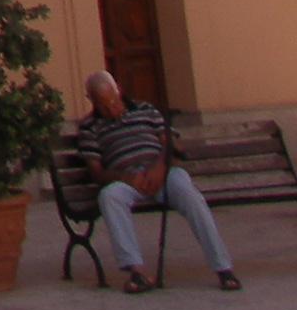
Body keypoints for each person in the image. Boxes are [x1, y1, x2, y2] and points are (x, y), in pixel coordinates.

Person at [77, 71, 240, 293]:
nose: (111, 109)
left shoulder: (146, 110)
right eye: (103, 106)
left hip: (162, 173)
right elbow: (96, 172)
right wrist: (126, 178)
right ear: (92, 101)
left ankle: (223, 268)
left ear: (119, 91)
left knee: (190, 194)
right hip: (127, 180)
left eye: (113, 101)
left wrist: (159, 168)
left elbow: (172, 145)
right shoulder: (89, 127)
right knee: (109, 196)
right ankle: (136, 271)